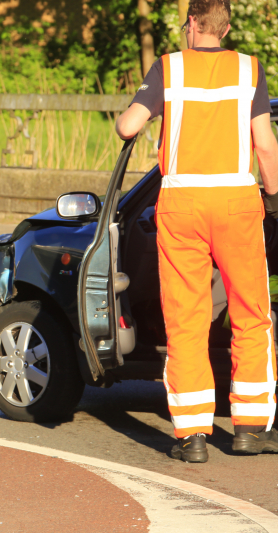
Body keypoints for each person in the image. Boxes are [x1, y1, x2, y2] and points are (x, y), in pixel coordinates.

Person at [116, 0, 278, 463]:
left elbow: (129, 127)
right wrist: (273, 198)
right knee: (251, 314)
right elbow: (265, 145)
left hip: (181, 208)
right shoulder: (251, 69)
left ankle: (192, 437)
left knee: (185, 320)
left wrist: (131, 118)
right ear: (225, 28)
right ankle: (249, 428)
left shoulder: (168, 68)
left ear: (191, 24)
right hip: (236, 205)